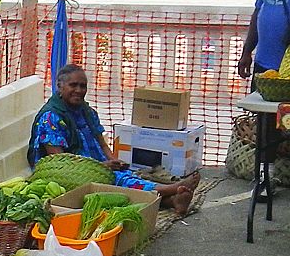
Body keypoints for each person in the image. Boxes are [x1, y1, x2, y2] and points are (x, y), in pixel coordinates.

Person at [27, 64, 199, 215]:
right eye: (73, 85)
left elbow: (101, 142)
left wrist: (112, 159)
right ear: (59, 86)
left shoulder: (86, 111)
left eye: (83, 86)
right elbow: (59, 163)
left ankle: (172, 201)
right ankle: (172, 190)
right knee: (119, 181)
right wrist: (101, 167)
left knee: (125, 174)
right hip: (66, 174)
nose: (79, 90)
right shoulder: (51, 118)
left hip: (93, 166)